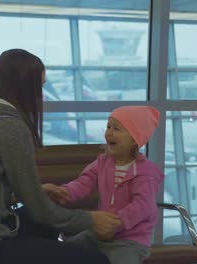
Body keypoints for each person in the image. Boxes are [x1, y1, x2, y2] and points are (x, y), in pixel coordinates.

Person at [0, 48, 120, 264]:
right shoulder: (10, 127)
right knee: (95, 260)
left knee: (44, 226)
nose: (42, 96)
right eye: (39, 87)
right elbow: (40, 209)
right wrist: (90, 219)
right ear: (26, 88)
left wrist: (35, 192)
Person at [43, 106, 165, 264]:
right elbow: (83, 183)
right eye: (108, 127)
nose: (109, 133)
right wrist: (64, 192)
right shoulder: (102, 162)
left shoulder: (145, 172)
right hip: (97, 234)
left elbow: (143, 206)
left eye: (116, 129)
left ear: (135, 139)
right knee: (65, 252)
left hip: (129, 241)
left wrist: (116, 223)